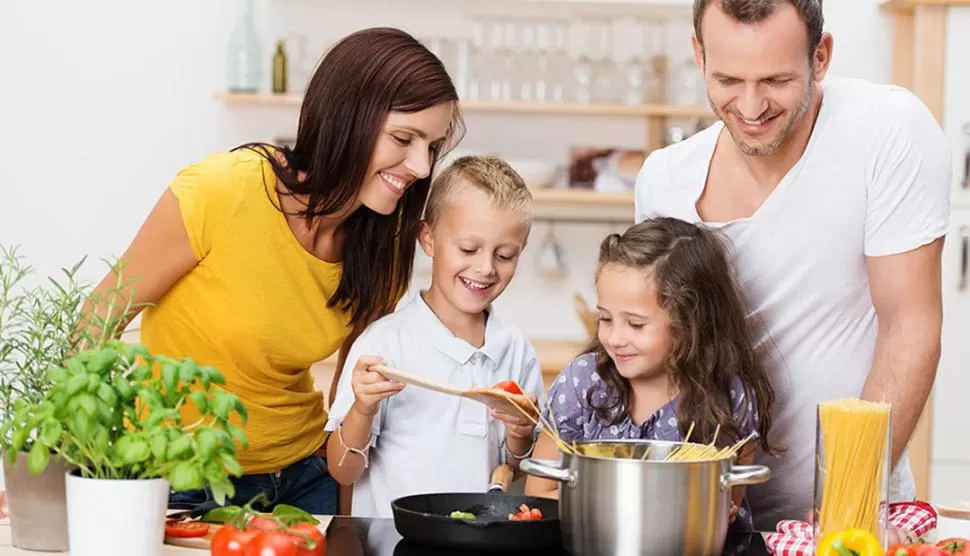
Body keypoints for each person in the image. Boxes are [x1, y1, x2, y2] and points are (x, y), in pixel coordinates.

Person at [67, 27, 464, 515]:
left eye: (433, 146)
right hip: (181, 483)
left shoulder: (381, 240)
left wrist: (342, 521)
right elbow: (97, 320)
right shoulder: (222, 191)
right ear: (347, 119)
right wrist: (88, 472)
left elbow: (346, 400)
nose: (422, 167)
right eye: (404, 139)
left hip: (303, 477)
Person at [634, 0, 951, 530]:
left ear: (820, 56)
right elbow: (661, 358)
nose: (751, 106)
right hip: (705, 519)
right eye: (728, 79)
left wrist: (843, 509)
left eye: (776, 80)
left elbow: (910, 326)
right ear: (699, 54)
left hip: (855, 513)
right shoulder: (664, 179)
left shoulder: (888, 130)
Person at [324, 155, 545, 518]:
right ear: (427, 238)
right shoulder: (384, 345)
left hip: (478, 543)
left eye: (505, 255)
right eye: (469, 249)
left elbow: (513, 471)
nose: (486, 268)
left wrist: (521, 435)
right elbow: (343, 470)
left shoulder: (516, 350)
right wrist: (363, 408)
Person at [524, 217, 778, 532]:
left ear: (690, 322)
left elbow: (727, 507)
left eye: (635, 324)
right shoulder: (583, 381)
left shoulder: (729, 396)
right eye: (605, 318)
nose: (615, 337)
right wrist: (633, 511)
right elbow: (539, 493)